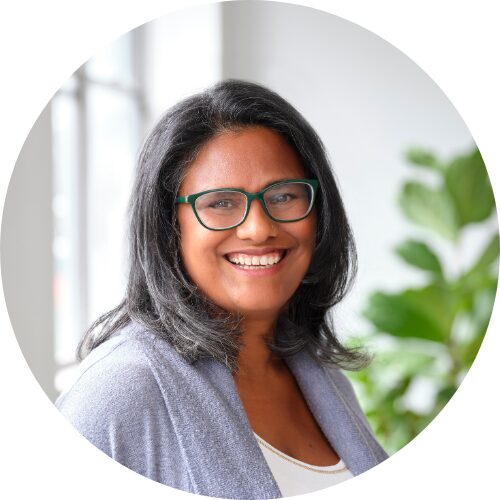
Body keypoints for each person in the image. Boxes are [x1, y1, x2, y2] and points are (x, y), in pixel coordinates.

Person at [55, 80, 388, 499]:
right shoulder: (118, 394)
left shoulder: (320, 375)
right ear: (168, 226)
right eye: (221, 203)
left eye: (283, 196)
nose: (259, 228)